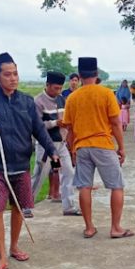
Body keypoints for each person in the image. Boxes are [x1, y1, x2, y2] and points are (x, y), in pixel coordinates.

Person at [0, 53, 59, 269]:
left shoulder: (27, 102)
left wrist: (52, 151)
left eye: (15, 74)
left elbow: (39, 130)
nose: (13, 78)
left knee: (19, 208)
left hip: (21, 164)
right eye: (7, 74)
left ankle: (14, 246)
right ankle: (2, 257)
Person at [63, 57, 134, 239]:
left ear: (79, 76)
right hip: (102, 145)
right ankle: (115, 228)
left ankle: (89, 228)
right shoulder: (106, 93)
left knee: (84, 187)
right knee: (117, 185)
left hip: (82, 146)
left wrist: (72, 150)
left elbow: (69, 129)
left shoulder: (72, 97)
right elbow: (115, 123)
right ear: (96, 74)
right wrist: (121, 147)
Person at [27, 71, 81, 217]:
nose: (58, 91)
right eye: (55, 88)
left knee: (68, 172)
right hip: (46, 146)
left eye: (60, 88)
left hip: (60, 145)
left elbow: (67, 120)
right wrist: (55, 122)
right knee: (40, 175)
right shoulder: (38, 102)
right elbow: (35, 126)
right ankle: (26, 206)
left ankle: (68, 206)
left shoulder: (62, 99)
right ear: (47, 85)